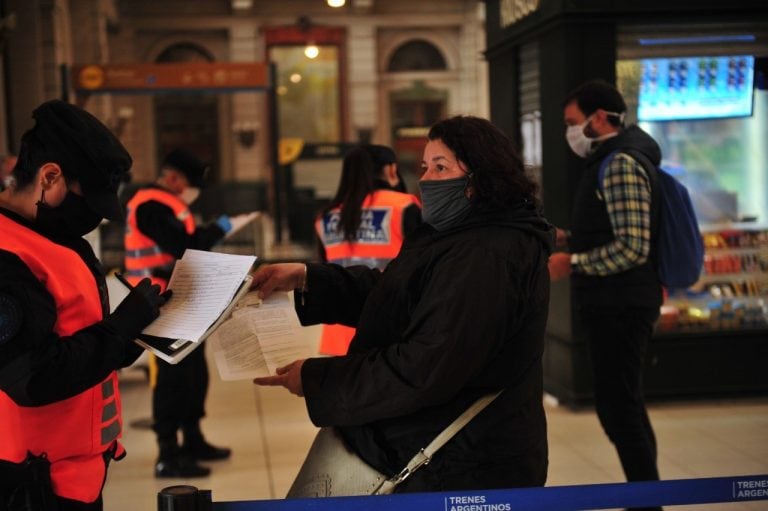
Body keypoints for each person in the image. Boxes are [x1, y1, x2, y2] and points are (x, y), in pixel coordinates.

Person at [252, 115, 554, 494]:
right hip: (434, 451)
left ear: (480, 179)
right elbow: (397, 296)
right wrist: (308, 278)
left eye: (441, 167)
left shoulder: (487, 255)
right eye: (424, 167)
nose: (426, 179)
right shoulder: (456, 234)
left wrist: (318, 380)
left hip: (463, 467)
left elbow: (425, 366)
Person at [0, 100, 169, 510]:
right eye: (86, 199)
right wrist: (121, 327)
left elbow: (79, 337)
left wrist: (138, 331)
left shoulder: (54, 239)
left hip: (76, 473)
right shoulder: (7, 255)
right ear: (49, 176)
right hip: (29, 484)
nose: (93, 216)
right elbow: (32, 376)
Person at [548, 79, 664, 510]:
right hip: (616, 302)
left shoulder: (619, 163)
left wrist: (572, 263)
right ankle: (646, 497)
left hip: (621, 305)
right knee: (623, 407)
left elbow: (633, 247)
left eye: (573, 123)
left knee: (621, 411)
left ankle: (647, 501)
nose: (571, 132)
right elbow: (616, 231)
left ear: (599, 118)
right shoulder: (609, 159)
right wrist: (572, 239)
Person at [124, 148, 249, 478]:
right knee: (171, 378)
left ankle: (193, 438)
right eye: (191, 184)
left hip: (183, 300)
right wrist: (217, 230)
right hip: (156, 303)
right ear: (174, 178)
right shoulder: (149, 203)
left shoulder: (169, 203)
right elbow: (182, 244)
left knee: (193, 372)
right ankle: (167, 452)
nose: (192, 192)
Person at [315, 144, 421, 355]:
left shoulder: (326, 217)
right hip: (391, 332)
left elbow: (326, 273)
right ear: (391, 170)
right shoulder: (403, 207)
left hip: (339, 336)